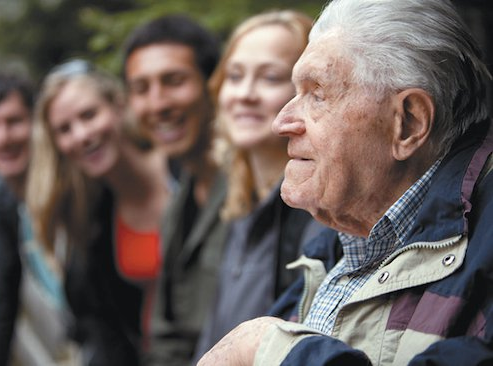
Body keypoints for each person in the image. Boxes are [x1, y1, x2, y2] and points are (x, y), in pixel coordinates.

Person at [198, 0, 493, 365]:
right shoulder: (335, 247)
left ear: (409, 123)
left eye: (317, 94)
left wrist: (266, 349)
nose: (282, 122)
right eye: (295, 92)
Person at [193, 10, 336, 361]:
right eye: (235, 75)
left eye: (270, 77)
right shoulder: (235, 203)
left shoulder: (323, 213)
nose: (244, 94)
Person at [26, 60, 170, 365]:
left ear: (118, 106)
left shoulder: (183, 172)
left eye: (89, 115)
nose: (81, 135)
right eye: (64, 129)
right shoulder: (94, 228)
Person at [122, 14, 228, 365]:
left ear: (213, 83)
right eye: (141, 89)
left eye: (174, 81)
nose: (158, 104)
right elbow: (168, 337)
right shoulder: (177, 207)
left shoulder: (262, 189)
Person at [0, 73, 72, 366]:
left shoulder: (74, 182)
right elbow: (0, 296)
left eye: (14, 122)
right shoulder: (3, 198)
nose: (2, 138)